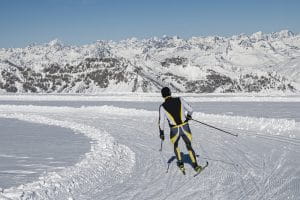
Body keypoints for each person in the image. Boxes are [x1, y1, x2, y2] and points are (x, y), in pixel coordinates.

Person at [158, 87, 202, 173]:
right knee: (188, 145)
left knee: (176, 146)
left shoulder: (162, 107)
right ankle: (196, 166)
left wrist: (161, 133)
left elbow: (161, 122)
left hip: (174, 130)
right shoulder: (180, 99)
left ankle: (181, 163)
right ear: (170, 93)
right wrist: (189, 116)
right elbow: (191, 110)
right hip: (185, 127)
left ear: (162, 96)